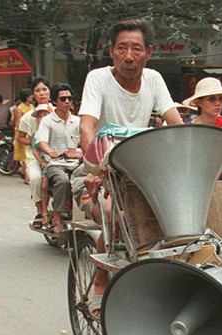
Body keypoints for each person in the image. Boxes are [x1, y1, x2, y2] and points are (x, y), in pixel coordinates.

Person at [77, 18, 182, 310]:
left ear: (148, 52)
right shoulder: (98, 78)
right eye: (122, 48)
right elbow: (87, 127)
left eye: (136, 49)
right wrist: (96, 169)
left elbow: (175, 123)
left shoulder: (155, 79)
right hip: (101, 168)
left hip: (140, 170)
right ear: (111, 51)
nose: (129, 56)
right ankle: (100, 280)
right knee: (112, 215)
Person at [35, 83, 81, 235]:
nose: (67, 101)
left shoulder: (78, 121)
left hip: (77, 163)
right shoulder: (47, 121)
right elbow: (40, 141)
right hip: (55, 164)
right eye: (63, 99)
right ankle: (57, 218)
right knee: (63, 181)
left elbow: (88, 141)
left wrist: (80, 153)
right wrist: (50, 151)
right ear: (55, 101)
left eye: (69, 98)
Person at [18, 77, 52, 218]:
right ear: (33, 95)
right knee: (36, 178)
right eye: (38, 90)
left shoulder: (59, 112)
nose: (42, 93)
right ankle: (40, 210)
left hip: (56, 155)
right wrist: (35, 141)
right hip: (35, 157)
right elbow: (20, 137)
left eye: (44, 89)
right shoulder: (27, 117)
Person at [11, 87, 33, 178]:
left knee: (29, 154)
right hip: (22, 134)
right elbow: (17, 123)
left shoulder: (32, 107)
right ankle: (27, 176)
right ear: (27, 97)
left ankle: (22, 170)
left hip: (31, 133)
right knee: (24, 155)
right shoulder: (19, 109)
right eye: (31, 96)